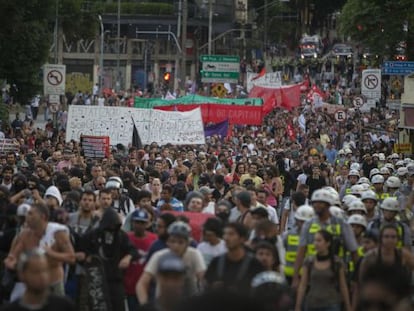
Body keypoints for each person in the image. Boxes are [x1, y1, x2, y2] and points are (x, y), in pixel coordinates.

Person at [4, 203, 75, 299]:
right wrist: (12, 264)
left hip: (53, 284)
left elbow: (71, 258)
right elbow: (12, 257)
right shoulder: (24, 235)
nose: (27, 217)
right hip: (31, 285)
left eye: (31, 214)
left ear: (43, 217)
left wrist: (52, 254)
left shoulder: (58, 234)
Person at [292, 188, 358, 288]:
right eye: (315, 203)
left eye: (320, 203)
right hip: (312, 274)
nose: (316, 205)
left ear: (328, 205)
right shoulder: (308, 224)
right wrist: (296, 276)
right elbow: (301, 252)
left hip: (337, 274)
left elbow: (353, 251)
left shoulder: (341, 223)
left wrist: (356, 278)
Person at [79, 208, 138, 311]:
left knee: (118, 306)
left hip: (116, 279)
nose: (111, 228)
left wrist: (128, 258)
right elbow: (81, 249)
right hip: (97, 280)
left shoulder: (121, 235)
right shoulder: (93, 235)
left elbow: (133, 250)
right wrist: (85, 258)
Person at [137, 221, 206, 304]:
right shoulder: (159, 256)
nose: (176, 246)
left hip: (189, 302)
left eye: (180, 242)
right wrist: (145, 306)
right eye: (172, 241)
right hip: (164, 303)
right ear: (167, 242)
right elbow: (141, 284)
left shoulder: (194, 254)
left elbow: (204, 279)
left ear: (187, 243)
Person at [0, 248, 75, 311]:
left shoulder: (63, 306)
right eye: (35, 272)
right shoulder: (11, 309)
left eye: (44, 271)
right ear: (22, 275)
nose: (42, 276)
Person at [295, 230, 351, 311]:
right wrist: (298, 306)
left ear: (328, 243)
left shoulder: (336, 262)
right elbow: (303, 285)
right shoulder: (309, 261)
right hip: (312, 304)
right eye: (315, 240)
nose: (316, 243)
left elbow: (343, 286)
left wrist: (348, 306)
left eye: (319, 241)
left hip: (331, 304)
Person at [204, 222, 264, 293]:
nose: (226, 238)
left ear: (242, 239)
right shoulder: (216, 262)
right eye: (225, 234)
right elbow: (207, 286)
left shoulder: (254, 264)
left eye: (231, 234)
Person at [124, 209, 157, 311]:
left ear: (147, 224)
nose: (139, 225)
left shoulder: (154, 239)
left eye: (142, 222)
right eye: (137, 222)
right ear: (132, 222)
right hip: (130, 286)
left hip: (149, 287)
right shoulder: (125, 238)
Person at [283, 204, 314, 283]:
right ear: (296, 220)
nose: (304, 224)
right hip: (288, 275)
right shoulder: (287, 235)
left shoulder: (317, 236)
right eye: (301, 221)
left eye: (306, 222)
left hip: (310, 276)